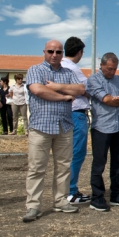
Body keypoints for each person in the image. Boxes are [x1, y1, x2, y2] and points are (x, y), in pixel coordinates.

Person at [22, 40, 86, 222]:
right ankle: (33, 205)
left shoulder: (68, 72)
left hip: (64, 126)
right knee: (36, 168)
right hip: (41, 126)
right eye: (51, 51)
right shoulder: (36, 70)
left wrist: (57, 86)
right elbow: (38, 90)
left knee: (63, 166)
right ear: (44, 52)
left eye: (58, 52)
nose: (54, 55)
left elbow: (81, 89)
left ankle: (60, 201)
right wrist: (65, 96)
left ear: (62, 53)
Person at [86, 52, 119, 212]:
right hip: (101, 127)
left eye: (114, 69)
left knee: (118, 163)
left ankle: (116, 194)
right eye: (109, 69)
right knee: (99, 163)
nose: (112, 72)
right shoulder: (94, 80)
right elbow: (106, 99)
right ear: (101, 66)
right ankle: (97, 197)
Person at [60, 36, 92, 204]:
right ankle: (71, 191)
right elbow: (85, 90)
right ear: (80, 52)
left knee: (65, 154)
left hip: (63, 113)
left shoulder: (59, 67)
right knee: (77, 153)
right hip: (76, 113)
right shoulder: (73, 69)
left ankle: (64, 190)